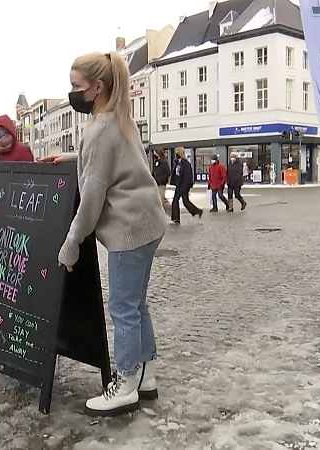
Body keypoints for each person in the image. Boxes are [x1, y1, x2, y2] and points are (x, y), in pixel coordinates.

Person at [39, 50, 166, 417]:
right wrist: (72, 159)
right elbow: (110, 164)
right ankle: (146, 377)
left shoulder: (99, 130)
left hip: (129, 229)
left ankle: (125, 384)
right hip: (147, 222)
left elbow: (93, 196)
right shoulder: (120, 120)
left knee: (123, 308)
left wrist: (71, 242)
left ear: (96, 88)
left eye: (76, 86)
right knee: (136, 305)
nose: (72, 93)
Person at [170, 147, 202, 224]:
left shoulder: (186, 164)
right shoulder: (177, 163)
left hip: (183, 185)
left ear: (180, 153)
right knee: (179, 201)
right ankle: (176, 218)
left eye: (177, 152)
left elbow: (187, 176)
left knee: (183, 201)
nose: (175, 154)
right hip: (179, 185)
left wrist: (185, 186)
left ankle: (197, 211)